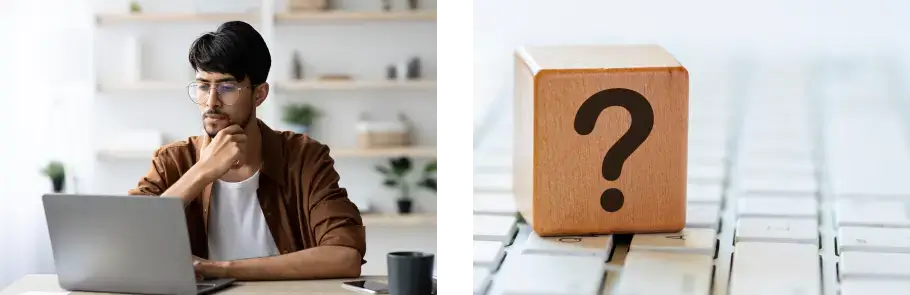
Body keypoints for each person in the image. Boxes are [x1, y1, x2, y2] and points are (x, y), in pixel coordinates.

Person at [128, 21, 366, 281]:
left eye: (227, 87)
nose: (211, 102)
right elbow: (126, 242)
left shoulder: (303, 156)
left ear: (259, 94)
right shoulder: (172, 160)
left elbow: (345, 257)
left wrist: (219, 269)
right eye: (203, 86)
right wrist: (203, 171)